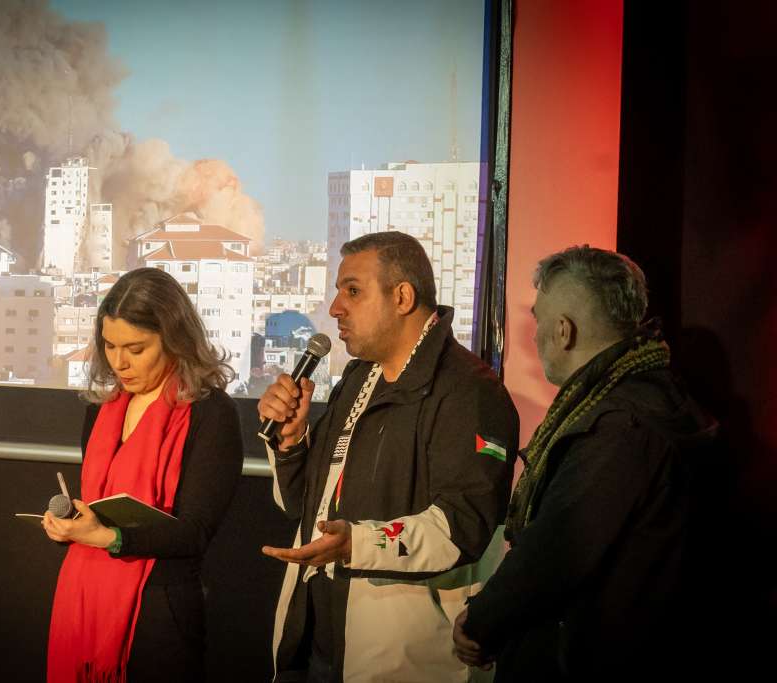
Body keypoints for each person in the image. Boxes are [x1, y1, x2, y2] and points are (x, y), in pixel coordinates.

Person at [258, 231, 520, 682]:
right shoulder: (359, 378)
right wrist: (292, 442)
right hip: (314, 634)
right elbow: (305, 507)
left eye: (352, 291)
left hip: (396, 658)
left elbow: (463, 524)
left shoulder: (470, 391)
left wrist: (357, 544)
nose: (335, 308)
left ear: (402, 297)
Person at [452, 246, 717, 681]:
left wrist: (481, 621)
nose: (534, 337)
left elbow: (555, 551)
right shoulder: (655, 396)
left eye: (538, 321)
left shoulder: (618, 426)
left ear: (563, 331)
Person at [42, 267, 243, 683]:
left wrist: (110, 537)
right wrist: (72, 526)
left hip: (160, 612)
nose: (119, 362)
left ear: (174, 340)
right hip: (83, 600)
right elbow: (97, 506)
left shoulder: (211, 413)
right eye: (110, 345)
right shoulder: (101, 408)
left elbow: (195, 533)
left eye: (136, 348)